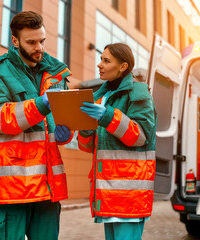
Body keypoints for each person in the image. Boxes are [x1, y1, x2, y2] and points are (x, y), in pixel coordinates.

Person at [0, 11, 73, 240]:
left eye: (42, 41)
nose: (39, 47)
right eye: (31, 42)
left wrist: (64, 133)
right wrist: (41, 104)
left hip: (47, 187)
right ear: (15, 41)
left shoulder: (56, 74)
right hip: (11, 187)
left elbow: (56, 128)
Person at [79, 43, 157, 240]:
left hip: (129, 194)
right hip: (109, 194)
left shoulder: (139, 94)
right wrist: (85, 129)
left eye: (106, 61)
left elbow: (140, 137)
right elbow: (89, 148)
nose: (99, 65)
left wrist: (107, 116)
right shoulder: (100, 96)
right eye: (100, 59)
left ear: (122, 67)